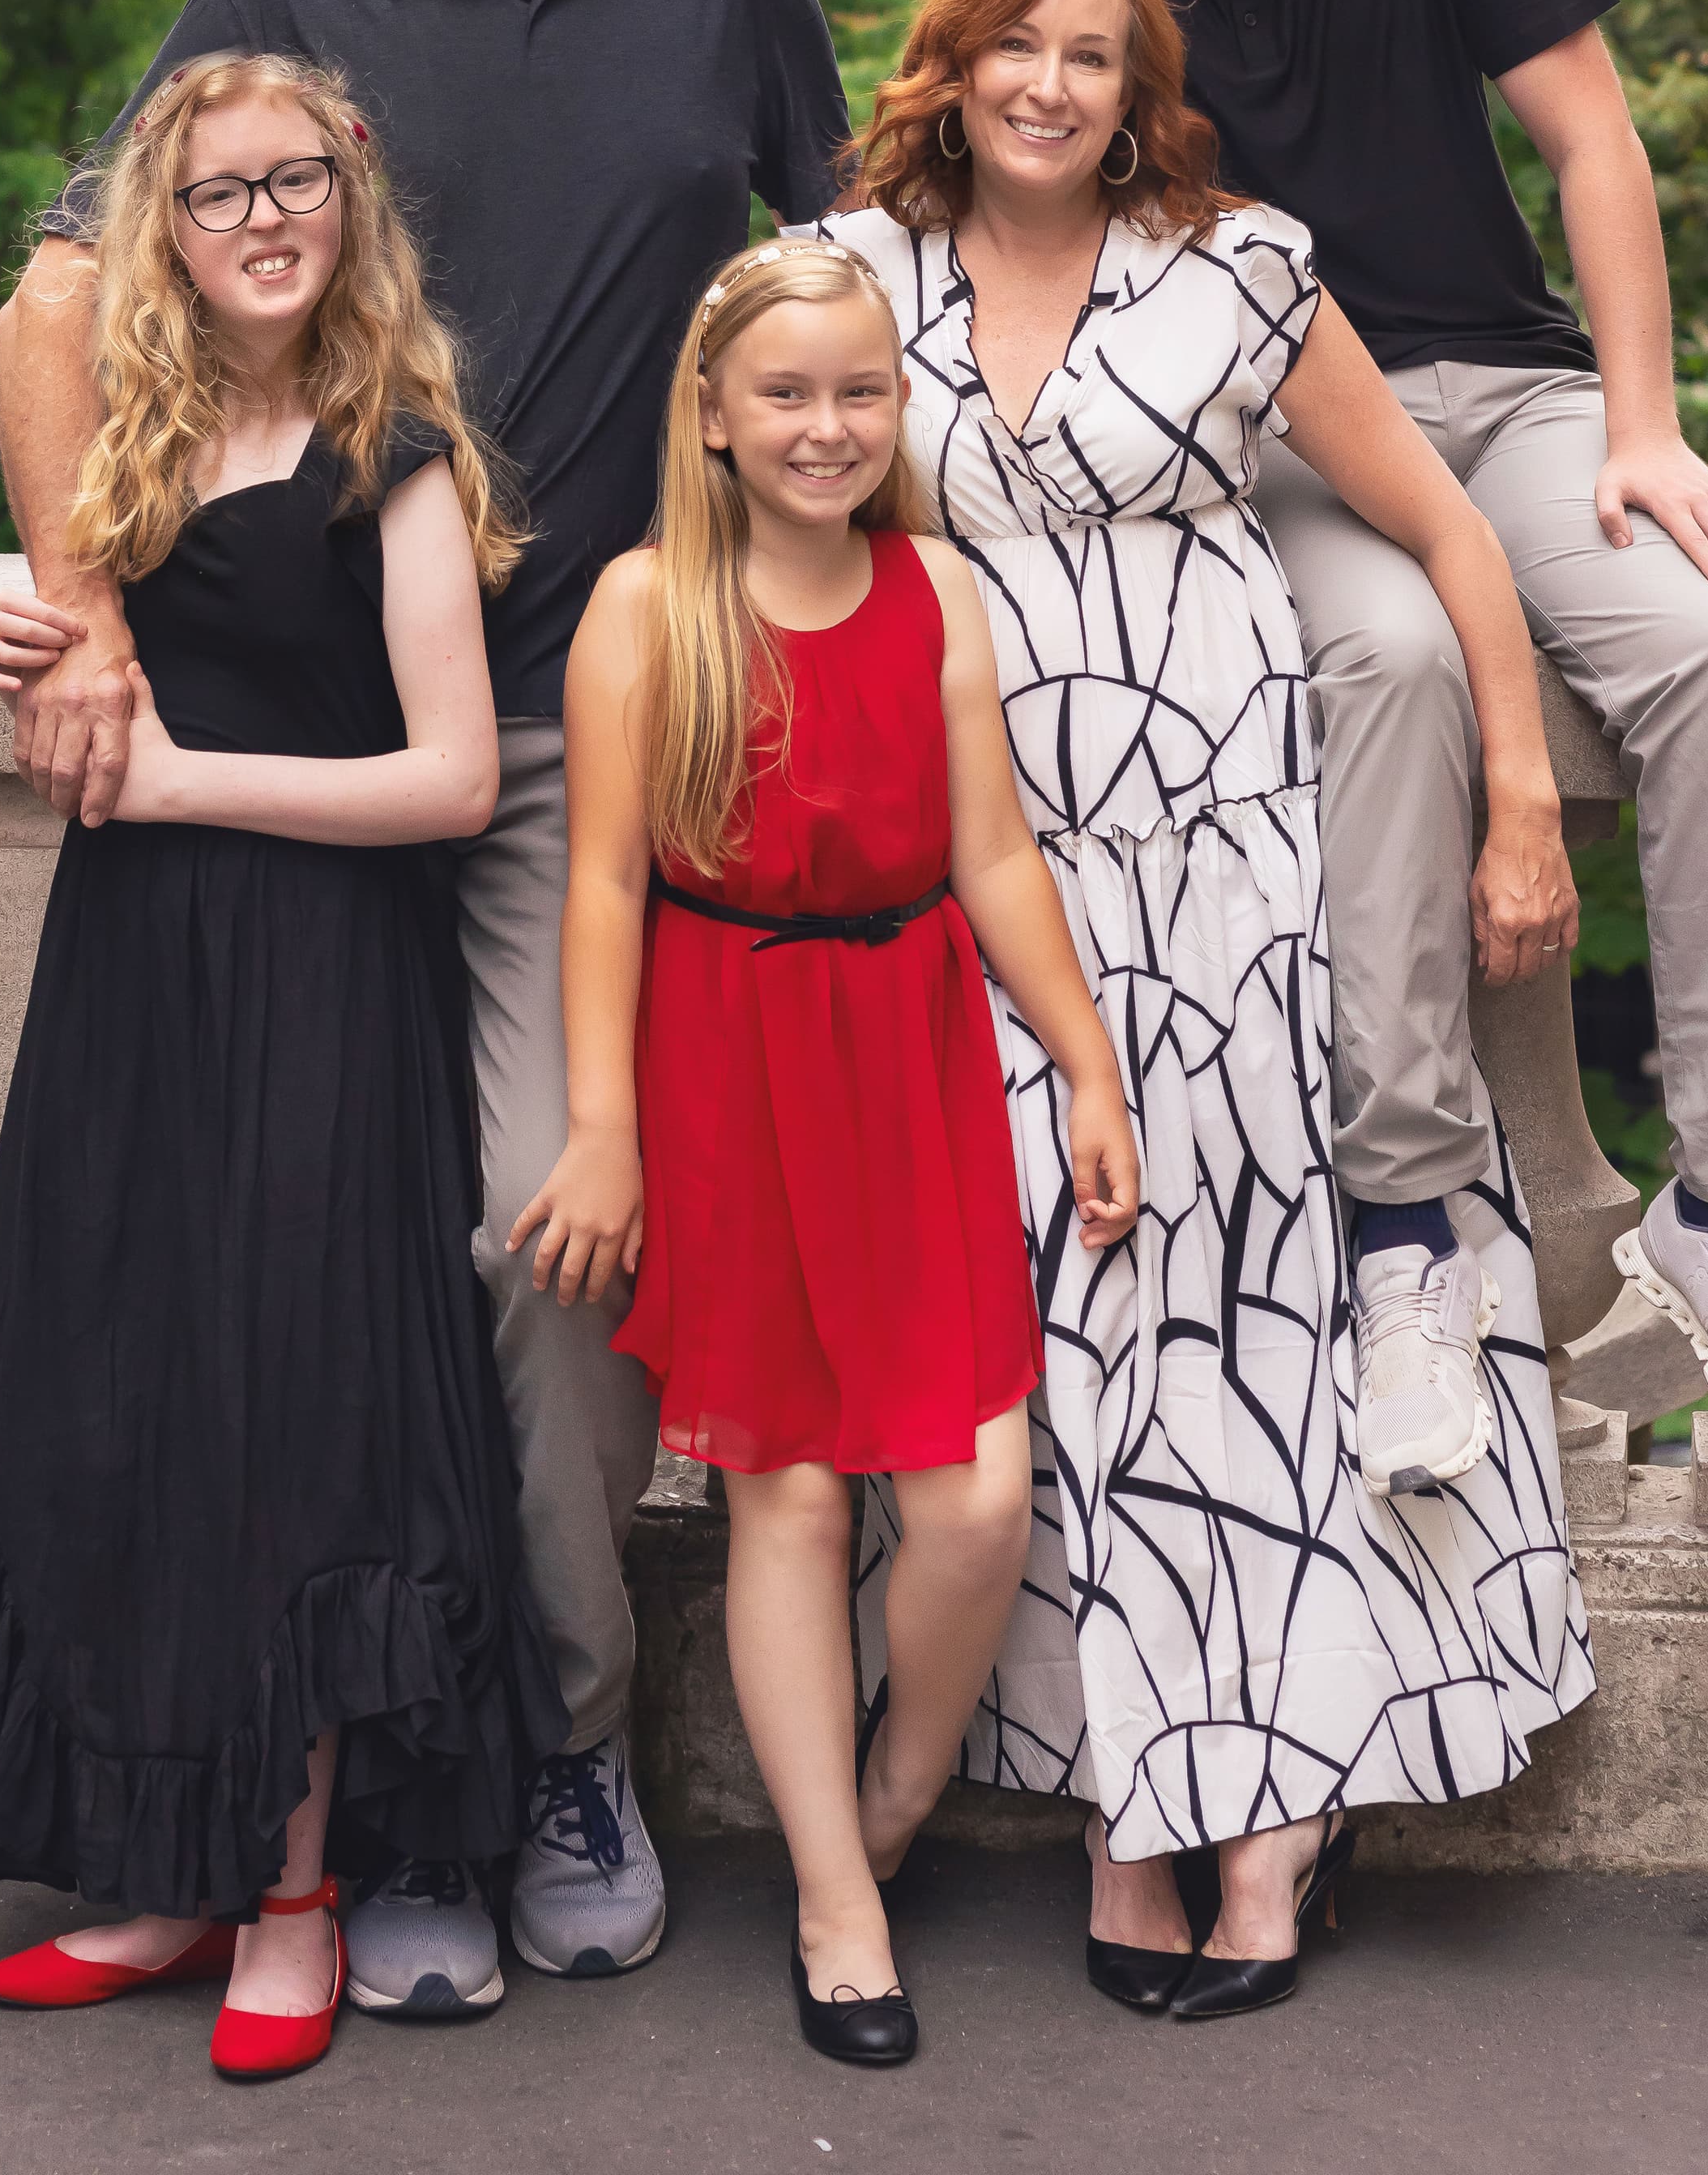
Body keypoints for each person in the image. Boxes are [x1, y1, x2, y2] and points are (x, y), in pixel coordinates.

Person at [0, 0, 854, 2017]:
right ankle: (388, 1799)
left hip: (620, 739)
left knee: (535, 1252)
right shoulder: (282, 5)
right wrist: (95, 612)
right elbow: (62, 287)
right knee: (297, 1290)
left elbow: (858, 291)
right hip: (323, 758)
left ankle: (549, 1751)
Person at [811, 0, 1595, 2019]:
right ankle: (1126, 1795)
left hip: (1228, 856)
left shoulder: (1239, 267)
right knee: (1059, 1344)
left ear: (1132, 85)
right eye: (1016, 46)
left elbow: (1447, 533)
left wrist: (1519, 793)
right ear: (954, 64)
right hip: (987, 869)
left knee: (1241, 1320)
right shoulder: (860, 273)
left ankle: (1266, 1817)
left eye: (1091, 53)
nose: (1051, 85)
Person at [1005, 0, 1708, 1461]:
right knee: (1380, 668)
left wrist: (1644, 426)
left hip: (1518, 395)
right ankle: (1406, 1230)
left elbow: (1592, 136)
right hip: (1286, 438)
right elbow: (1015, 208)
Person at [0, 51, 559, 2087]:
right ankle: (169, 1873)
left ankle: (291, 1896)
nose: (262, 222)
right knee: (130, 1400)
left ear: (350, 205)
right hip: (133, 983)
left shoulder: (400, 448)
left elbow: (450, 781)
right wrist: (19, 645)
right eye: (217, 194)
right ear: (160, 230)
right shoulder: (136, 440)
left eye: (295, 186)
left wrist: (178, 777)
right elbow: (88, 652)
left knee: (290, 1419)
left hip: (323, 976)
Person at [515, 238, 1140, 2069]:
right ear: (712, 416)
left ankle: (898, 1783)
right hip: (731, 1061)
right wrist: (605, 1131)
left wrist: (1088, 1068)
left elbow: (998, 857)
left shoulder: (936, 587)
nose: (826, 427)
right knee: (783, 1490)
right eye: (785, 394)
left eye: (860, 392)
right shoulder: (645, 606)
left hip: (914, 1044)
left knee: (971, 1500)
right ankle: (832, 1897)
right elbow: (606, 886)